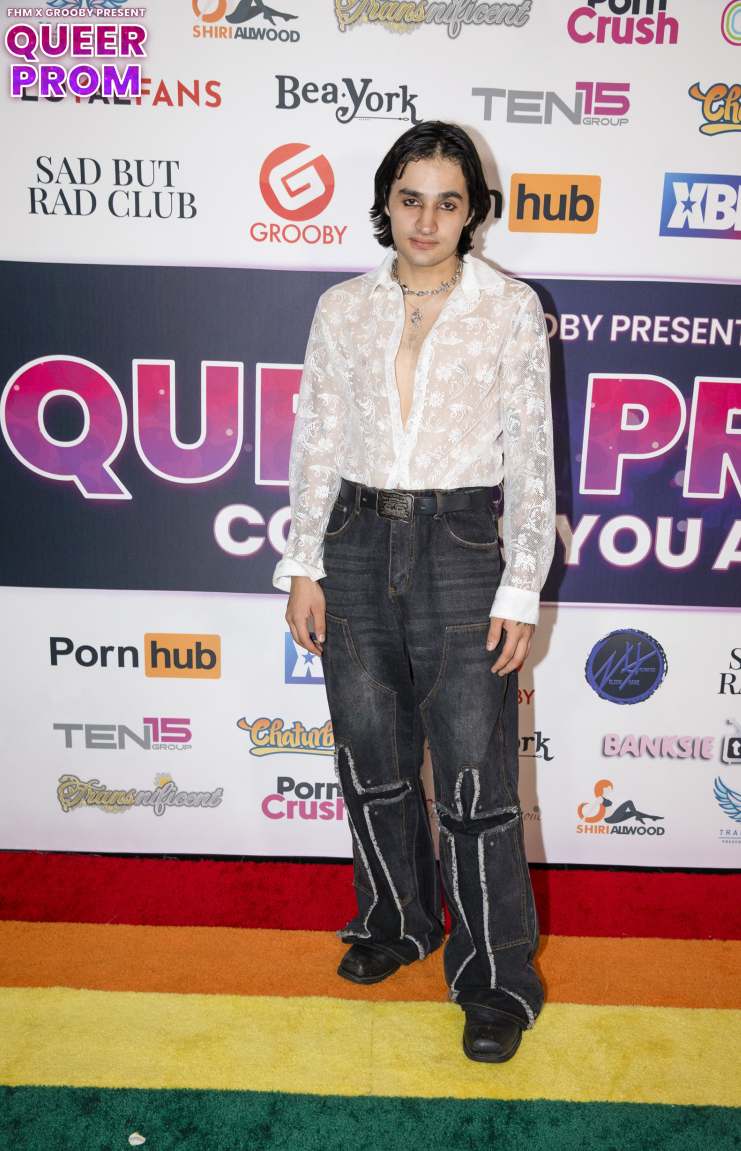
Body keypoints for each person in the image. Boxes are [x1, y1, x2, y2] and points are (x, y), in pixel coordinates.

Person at [274, 121, 555, 1064]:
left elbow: (533, 455)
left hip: (463, 546)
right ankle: (396, 921)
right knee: (371, 756)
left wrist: (520, 583)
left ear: (473, 212)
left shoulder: (509, 307)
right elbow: (316, 437)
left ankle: (494, 980)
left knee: (475, 779)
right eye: (410, 199)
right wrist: (303, 562)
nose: (426, 220)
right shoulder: (341, 307)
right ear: (385, 203)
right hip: (353, 539)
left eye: (448, 201)